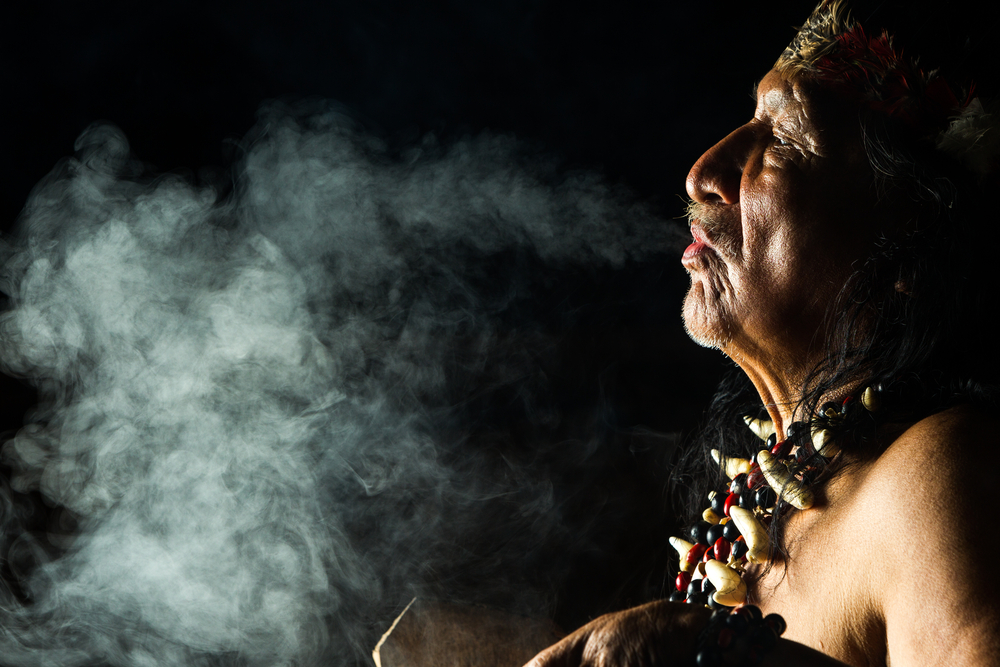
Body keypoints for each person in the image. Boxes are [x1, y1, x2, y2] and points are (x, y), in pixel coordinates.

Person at [526, 0, 1000, 665]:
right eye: (751, 119)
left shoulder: (940, 473)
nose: (703, 173)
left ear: (909, 247)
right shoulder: (752, 513)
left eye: (785, 136)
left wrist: (718, 646)